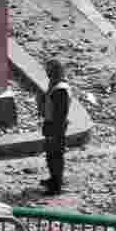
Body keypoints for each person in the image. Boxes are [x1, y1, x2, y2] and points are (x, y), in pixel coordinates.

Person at [37, 59, 70, 196]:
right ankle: (53, 179)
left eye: (50, 70)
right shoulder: (55, 86)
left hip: (56, 128)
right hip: (51, 125)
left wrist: (54, 131)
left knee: (55, 156)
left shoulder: (60, 89)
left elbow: (60, 114)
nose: (47, 72)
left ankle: (56, 186)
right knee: (51, 156)